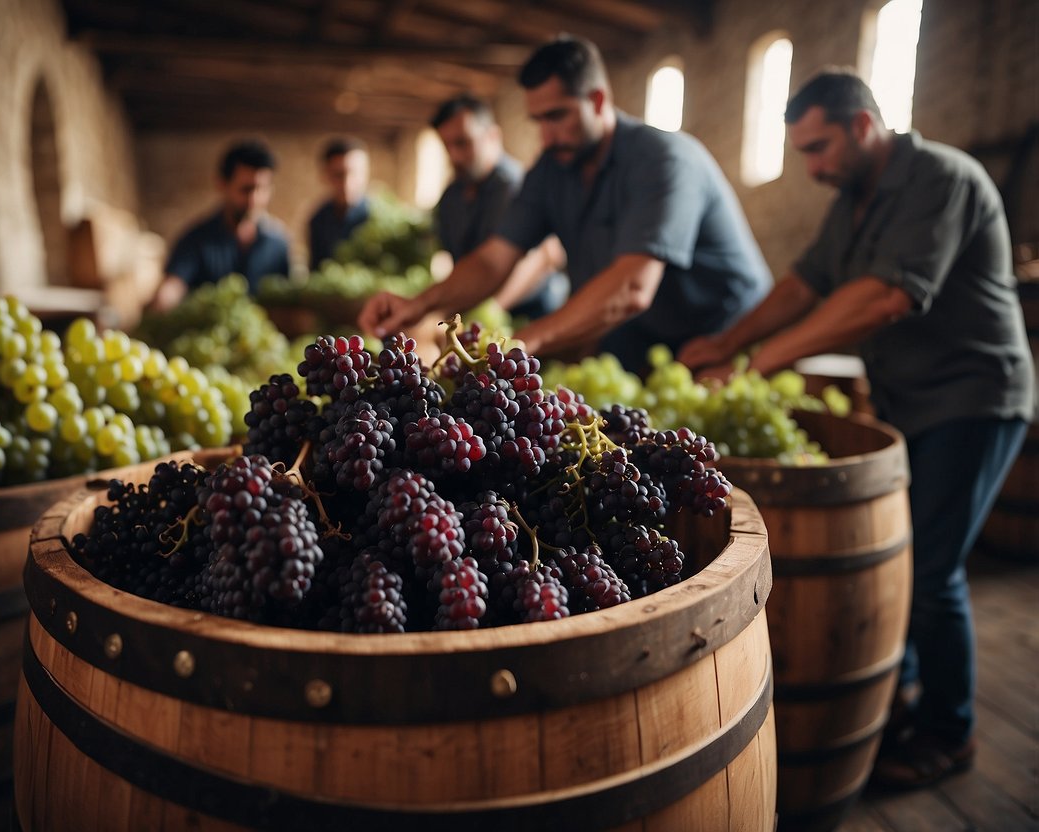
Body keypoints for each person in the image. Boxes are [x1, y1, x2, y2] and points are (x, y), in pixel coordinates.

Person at [678, 69, 1035, 789]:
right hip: (910, 403)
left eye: (817, 148)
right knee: (912, 562)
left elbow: (883, 298)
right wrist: (727, 341)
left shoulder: (941, 177)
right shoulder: (850, 201)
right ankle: (897, 700)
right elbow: (802, 285)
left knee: (932, 572)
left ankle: (947, 731)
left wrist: (760, 360)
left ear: (863, 125)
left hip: (974, 399)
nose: (810, 167)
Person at [359, 34, 772, 373]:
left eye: (557, 116)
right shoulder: (550, 171)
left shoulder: (664, 159)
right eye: (538, 120)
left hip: (727, 335)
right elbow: (493, 260)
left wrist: (527, 342)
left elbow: (632, 286)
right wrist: (419, 304)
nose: (546, 135)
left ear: (596, 101)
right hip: (641, 335)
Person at [430, 93, 567, 321]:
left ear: (492, 136)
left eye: (463, 143)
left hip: (531, 313)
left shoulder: (518, 187)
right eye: (447, 146)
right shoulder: (451, 197)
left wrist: (491, 310)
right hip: (476, 312)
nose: (454, 155)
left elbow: (542, 258)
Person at [149, 140, 290, 312]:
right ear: (222, 184)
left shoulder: (278, 243)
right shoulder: (196, 240)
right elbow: (173, 287)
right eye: (246, 189)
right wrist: (162, 302)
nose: (255, 200)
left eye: (262, 189)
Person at [307, 137, 371, 270]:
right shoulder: (318, 220)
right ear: (326, 175)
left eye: (354, 173)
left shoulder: (378, 217)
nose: (347, 183)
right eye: (339, 175)